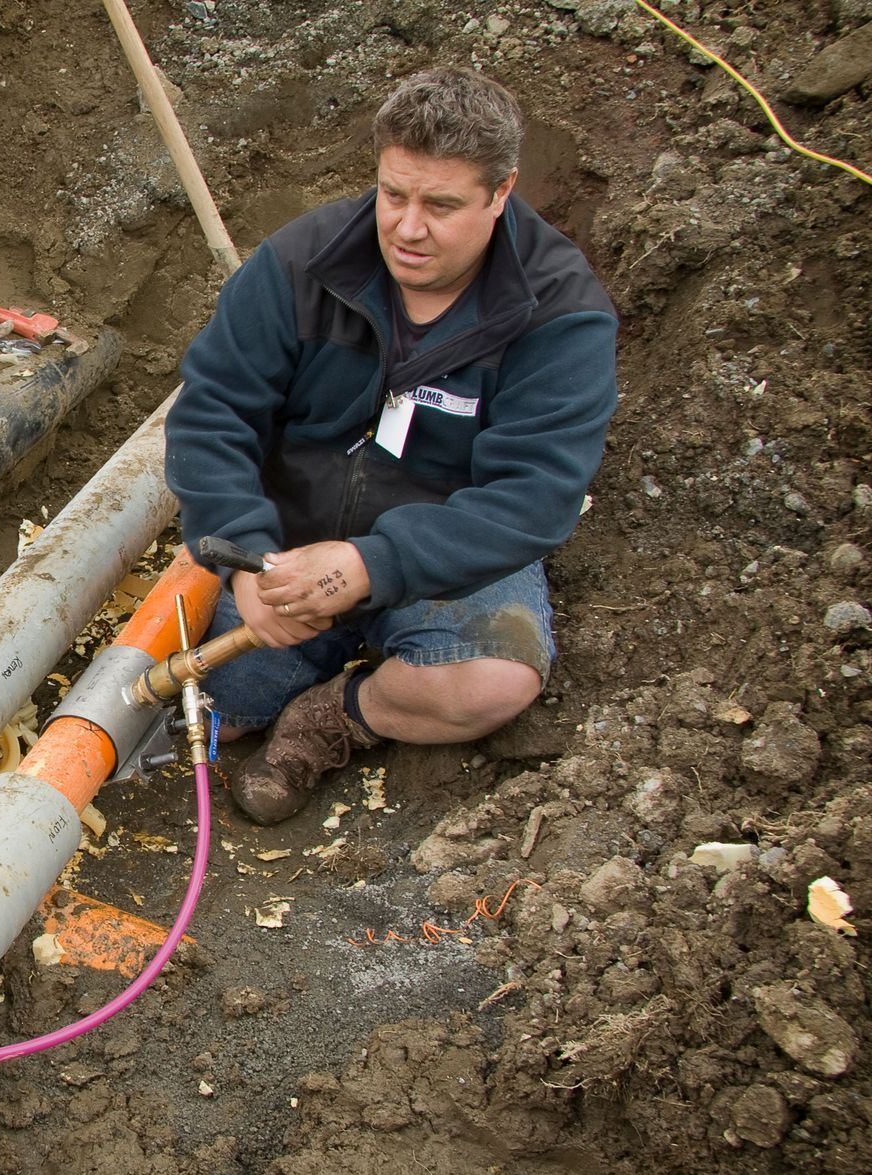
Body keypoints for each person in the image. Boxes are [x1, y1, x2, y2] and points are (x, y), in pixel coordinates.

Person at [164, 67, 617, 826]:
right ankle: (282, 687)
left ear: (501, 193)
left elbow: (535, 496)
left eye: (441, 205)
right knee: (223, 710)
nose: (408, 227)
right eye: (394, 194)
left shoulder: (559, 313)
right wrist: (242, 555)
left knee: (491, 684)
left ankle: (337, 715)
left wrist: (374, 565)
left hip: (447, 556)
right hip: (289, 545)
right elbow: (212, 414)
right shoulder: (298, 265)